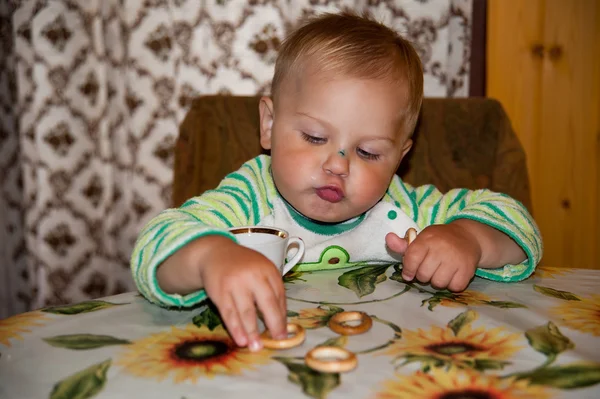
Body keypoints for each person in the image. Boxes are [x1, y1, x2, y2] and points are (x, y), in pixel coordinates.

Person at [130, 12, 542, 352]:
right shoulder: (249, 198)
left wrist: (467, 238)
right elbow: (156, 244)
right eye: (314, 137)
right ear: (269, 125)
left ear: (401, 157)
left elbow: (515, 221)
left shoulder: (405, 211)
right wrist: (210, 257)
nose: (339, 165)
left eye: (368, 153)